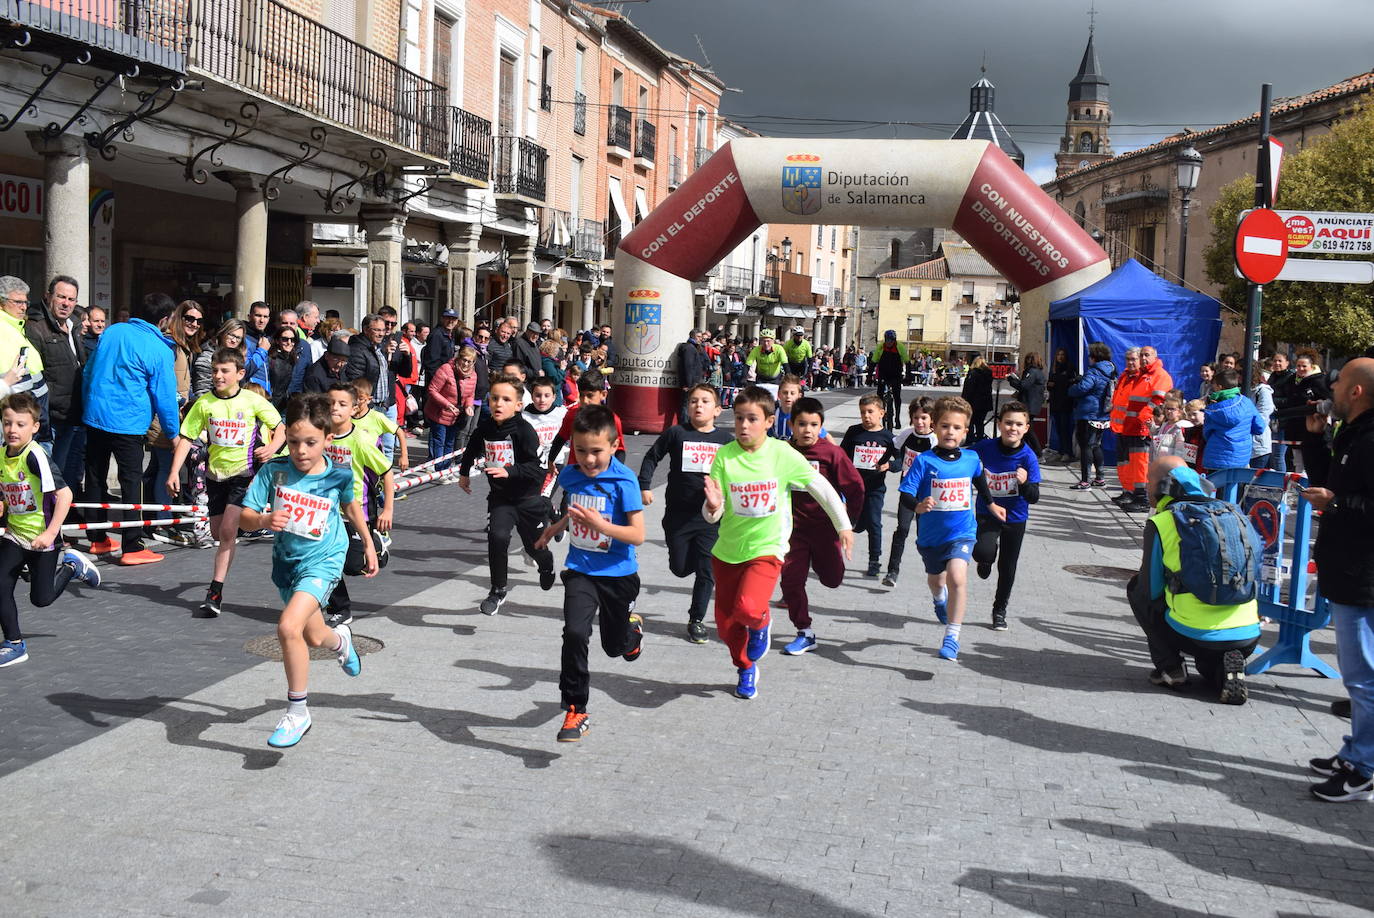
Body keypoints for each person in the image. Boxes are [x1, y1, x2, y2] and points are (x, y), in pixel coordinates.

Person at [237, 393, 374, 747]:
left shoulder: (339, 475)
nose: (301, 450)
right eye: (294, 442)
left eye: (310, 442)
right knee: (314, 637)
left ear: (328, 439)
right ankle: (340, 641)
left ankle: (297, 712)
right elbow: (246, 518)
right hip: (287, 565)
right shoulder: (274, 471)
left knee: (287, 626)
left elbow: (352, 507)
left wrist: (369, 543)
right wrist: (266, 519)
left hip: (326, 559)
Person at [701, 386, 853, 699]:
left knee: (748, 607)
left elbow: (821, 488)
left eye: (752, 419)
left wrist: (843, 526)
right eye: (739, 418)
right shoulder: (724, 456)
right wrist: (713, 506)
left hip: (767, 549)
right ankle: (745, 668)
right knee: (727, 627)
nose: (743, 425)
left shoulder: (782, 454)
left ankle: (761, 622)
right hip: (727, 552)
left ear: (770, 421)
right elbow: (712, 515)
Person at [531, 405, 645, 743]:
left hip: (618, 573)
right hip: (581, 570)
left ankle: (631, 633)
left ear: (613, 446)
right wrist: (556, 528)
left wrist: (602, 526)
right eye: (581, 451)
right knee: (575, 634)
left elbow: (638, 534)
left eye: (596, 451)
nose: (588, 459)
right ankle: (576, 708)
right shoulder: (571, 475)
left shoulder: (625, 481)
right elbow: (575, 509)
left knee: (614, 647)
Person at [1299, 357, 1374, 801]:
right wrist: (1313, 443)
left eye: (1339, 382)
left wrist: (1337, 504)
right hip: (1347, 569)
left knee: (1363, 677)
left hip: (1363, 573)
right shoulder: (1354, 433)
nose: (1332, 390)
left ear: (1357, 392)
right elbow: (1330, 484)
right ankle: (1356, 752)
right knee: (1360, 675)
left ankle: (1363, 766)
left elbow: (1351, 501)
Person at [1127, 456, 1259, 704]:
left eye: (1149, 481)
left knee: (1137, 588)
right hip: (1248, 630)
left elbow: (1150, 588)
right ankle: (1224, 669)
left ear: (1161, 487)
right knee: (1209, 665)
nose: (1145, 487)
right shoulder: (1234, 512)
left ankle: (1171, 669)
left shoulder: (1163, 521)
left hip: (1190, 631)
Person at [166, 348, 284, 617]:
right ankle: (251, 522)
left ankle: (215, 591)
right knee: (219, 533)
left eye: (224, 371)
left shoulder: (252, 401)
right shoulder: (205, 403)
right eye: (215, 370)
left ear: (240, 374)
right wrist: (174, 473)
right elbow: (186, 438)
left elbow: (280, 427)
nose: (218, 376)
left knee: (228, 532)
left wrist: (273, 448)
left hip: (243, 474)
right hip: (215, 476)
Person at [899, 396, 1005, 661]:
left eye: (957, 428)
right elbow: (905, 493)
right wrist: (918, 506)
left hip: (962, 533)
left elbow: (980, 482)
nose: (950, 432)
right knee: (937, 580)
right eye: (945, 426)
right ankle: (938, 598)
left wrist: (991, 506)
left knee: (958, 576)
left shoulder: (971, 458)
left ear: (965, 431)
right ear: (935, 427)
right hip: (931, 537)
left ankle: (952, 636)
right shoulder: (924, 461)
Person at [0, 392, 101, 668]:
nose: (12, 430)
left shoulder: (36, 456)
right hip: (15, 535)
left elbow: (65, 495)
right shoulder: (1, 455)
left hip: (43, 537)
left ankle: (71, 566)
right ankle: (14, 643)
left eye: (20, 424)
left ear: (35, 426)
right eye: (7, 423)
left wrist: (50, 533)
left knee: (41, 599)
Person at [82, 293, 181, 565]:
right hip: (128, 422)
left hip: (95, 416)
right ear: (163, 319)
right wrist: (173, 434)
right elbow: (164, 397)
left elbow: (89, 371)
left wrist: (87, 405)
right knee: (131, 484)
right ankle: (132, 546)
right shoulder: (160, 349)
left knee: (94, 477)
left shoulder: (113, 331)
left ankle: (97, 538)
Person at [637, 383, 733, 643]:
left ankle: (696, 620)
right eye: (693, 401)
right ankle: (694, 561)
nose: (698, 405)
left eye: (704, 401)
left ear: (717, 410)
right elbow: (651, 457)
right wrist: (644, 486)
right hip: (677, 516)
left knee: (706, 571)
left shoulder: (726, 440)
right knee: (679, 568)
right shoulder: (677, 433)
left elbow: (743, 467)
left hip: (710, 517)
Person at [458, 374, 556, 615]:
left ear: (518, 405)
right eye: (494, 398)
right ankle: (498, 590)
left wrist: (509, 471)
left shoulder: (525, 431)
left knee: (534, 548)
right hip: (501, 499)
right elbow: (472, 447)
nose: (498, 404)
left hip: (528, 499)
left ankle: (546, 565)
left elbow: (537, 468)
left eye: (505, 399)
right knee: (497, 537)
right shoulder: (487, 426)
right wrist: (464, 473)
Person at [778, 397, 863, 655]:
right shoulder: (783, 452)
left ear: (821, 426)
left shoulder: (831, 453)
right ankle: (805, 631)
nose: (807, 430)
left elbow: (856, 487)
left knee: (832, 579)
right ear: (791, 425)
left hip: (825, 530)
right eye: (801, 424)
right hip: (794, 531)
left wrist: (848, 522)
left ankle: (825, 564)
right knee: (791, 582)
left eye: (813, 424)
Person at [320, 382, 395, 627]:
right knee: (326, 558)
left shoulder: (360, 440)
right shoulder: (320, 435)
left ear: (353, 409)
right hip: (327, 510)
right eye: (331, 403)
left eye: (342, 404)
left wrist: (388, 509)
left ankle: (376, 545)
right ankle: (340, 608)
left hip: (359, 510)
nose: (335, 408)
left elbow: (386, 471)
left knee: (353, 566)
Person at [972, 401, 1041, 632]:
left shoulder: (1028, 457)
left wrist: (1024, 483)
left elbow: (1034, 497)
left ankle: (999, 609)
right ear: (999, 424)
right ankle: (984, 560)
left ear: (1027, 428)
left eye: (1019, 424)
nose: (1013, 428)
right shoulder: (984, 447)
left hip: (1015, 517)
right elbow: (960, 454)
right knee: (983, 550)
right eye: (1008, 422)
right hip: (987, 511)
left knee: (1008, 566)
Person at [25, 275, 85, 464]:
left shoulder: (74, 325)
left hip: (71, 414)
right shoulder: (35, 328)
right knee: (45, 474)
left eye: (71, 299)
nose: (66, 303)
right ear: (48, 296)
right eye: (61, 297)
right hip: (48, 419)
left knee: (62, 473)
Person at [883, 396, 937, 588]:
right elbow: (894, 450)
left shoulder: (934, 440)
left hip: (928, 494)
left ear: (932, 419)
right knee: (903, 529)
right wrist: (892, 464)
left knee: (924, 534)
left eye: (924, 418)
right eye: (916, 418)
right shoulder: (907, 434)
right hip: (908, 491)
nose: (920, 422)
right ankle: (892, 571)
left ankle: (935, 572)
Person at [841, 394, 896, 577]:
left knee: (874, 523)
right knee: (851, 525)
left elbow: (901, 459)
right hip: (853, 488)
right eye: (863, 412)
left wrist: (889, 465)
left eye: (870, 412)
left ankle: (874, 561)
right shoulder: (853, 432)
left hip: (875, 489)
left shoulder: (888, 437)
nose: (866, 416)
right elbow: (841, 455)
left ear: (881, 413)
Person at [1201, 366, 1264, 475]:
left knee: (1214, 489)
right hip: (1241, 456)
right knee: (1236, 489)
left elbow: (1206, 433)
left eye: (1214, 386)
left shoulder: (1212, 410)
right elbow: (1259, 427)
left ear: (1220, 387)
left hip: (1217, 456)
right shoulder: (1247, 402)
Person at [424, 346, 476, 472]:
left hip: (455, 415)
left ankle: (445, 469)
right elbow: (432, 390)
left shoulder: (473, 375)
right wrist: (447, 404)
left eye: (469, 361)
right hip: (439, 412)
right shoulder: (446, 369)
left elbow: (470, 394)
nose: (466, 364)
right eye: (464, 359)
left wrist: (469, 406)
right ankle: (439, 470)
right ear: (458, 358)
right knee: (439, 441)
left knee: (449, 442)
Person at [349, 377, 409, 473]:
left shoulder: (376, 417)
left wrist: (404, 456)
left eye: (360, 398)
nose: (356, 402)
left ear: (369, 399)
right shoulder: (347, 418)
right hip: (352, 467)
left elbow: (400, 432)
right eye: (353, 398)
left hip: (372, 468)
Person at [1007, 352, 1046, 457]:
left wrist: (1012, 380)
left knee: (1028, 430)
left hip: (1029, 405)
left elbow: (1023, 385)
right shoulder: (1037, 372)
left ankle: (1038, 453)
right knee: (1026, 430)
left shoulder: (1032, 372)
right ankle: (1027, 451)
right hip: (1032, 405)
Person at [871, 330, 909, 424]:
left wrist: (908, 377)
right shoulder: (880, 347)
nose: (889, 342)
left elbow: (907, 362)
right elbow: (873, 362)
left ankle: (897, 418)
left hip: (896, 374)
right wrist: (869, 376)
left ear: (894, 340)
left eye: (891, 340)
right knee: (879, 396)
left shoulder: (900, 347)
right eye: (887, 340)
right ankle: (879, 417)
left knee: (897, 396)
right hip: (883, 374)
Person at [1265, 352, 1295, 472]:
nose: (1277, 363)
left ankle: (1281, 484)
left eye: (1280, 361)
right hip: (1273, 419)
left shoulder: (1290, 378)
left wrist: (1271, 400)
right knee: (1272, 455)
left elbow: (1290, 399)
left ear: (1287, 363)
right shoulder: (1272, 376)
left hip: (1284, 420)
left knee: (1278, 455)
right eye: (1275, 360)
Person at [1047, 347, 1077, 461]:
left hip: (1065, 403)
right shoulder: (1054, 368)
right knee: (1059, 429)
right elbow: (1049, 385)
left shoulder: (1069, 368)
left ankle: (1068, 452)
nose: (1060, 357)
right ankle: (1061, 450)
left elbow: (1069, 383)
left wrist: (1058, 383)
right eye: (1058, 354)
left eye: (1062, 354)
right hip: (1055, 402)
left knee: (1065, 429)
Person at [674, 329, 708, 423]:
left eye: (701, 337)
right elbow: (688, 367)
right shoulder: (689, 348)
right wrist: (688, 384)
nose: (701, 339)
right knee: (686, 405)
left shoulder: (696, 347)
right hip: (690, 383)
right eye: (699, 337)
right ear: (693, 336)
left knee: (691, 404)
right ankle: (684, 427)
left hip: (695, 382)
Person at [961, 355, 994, 441]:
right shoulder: (988, 374)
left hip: (973, 402)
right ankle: (980, 439)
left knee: (970, 421)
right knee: (980, 422)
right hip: (985, 402)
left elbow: (969, 388)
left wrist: (964, 399)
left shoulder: (973, 373)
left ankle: (970, 439)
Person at [1248, 365, 1275, 470]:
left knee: (1253, 484)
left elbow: (1263, 419)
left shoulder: (1263, 391)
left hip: (1258, 446)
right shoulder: (1240, 390)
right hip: (1243, 447)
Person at [267, 326, 298, 410]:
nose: (289, 342)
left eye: (293, 340)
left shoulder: (292, 358)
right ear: (277, 340)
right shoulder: (270, 359)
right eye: (285, 339)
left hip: (284, 404)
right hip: (270, 404)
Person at [769, 375, 806, 440]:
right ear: (779, 394)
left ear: (799, 396)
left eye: (792, 393)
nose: (788, 396)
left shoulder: (804, 416)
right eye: (785, 393)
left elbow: (824, 435)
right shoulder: (771, 414)